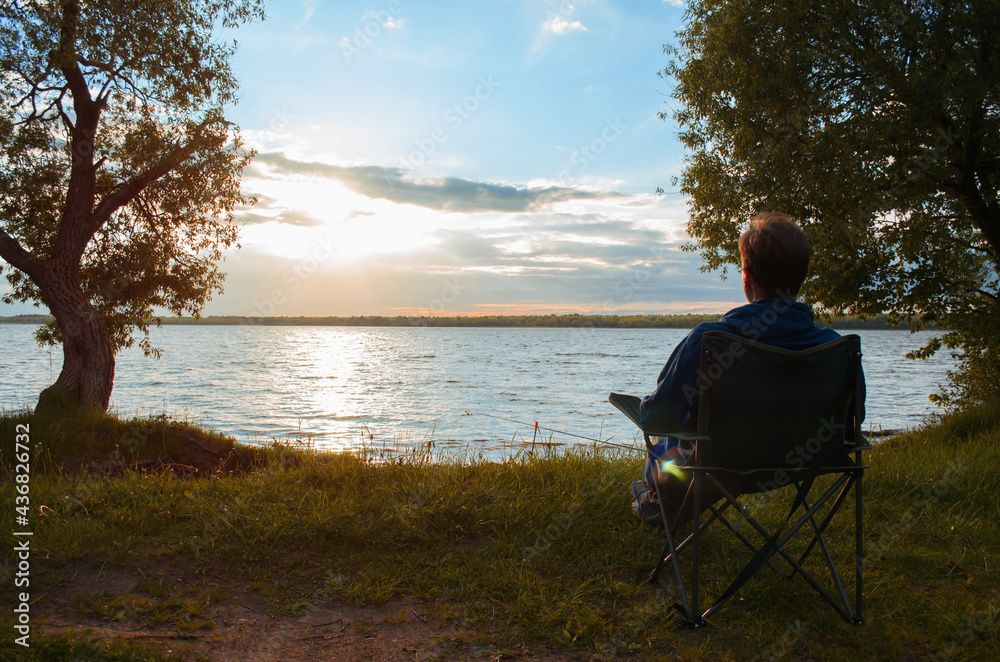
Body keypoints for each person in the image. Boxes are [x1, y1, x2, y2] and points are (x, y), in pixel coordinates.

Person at [629, 211, 865, 527]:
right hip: (805, 465)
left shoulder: (709, 340)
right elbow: (851, 425)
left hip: (719, 468)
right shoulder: (836, 348)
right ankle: (662, 502)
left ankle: (656, 502)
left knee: (668, 450)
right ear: (805, 274)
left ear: (746, 277)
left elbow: (657, 416)